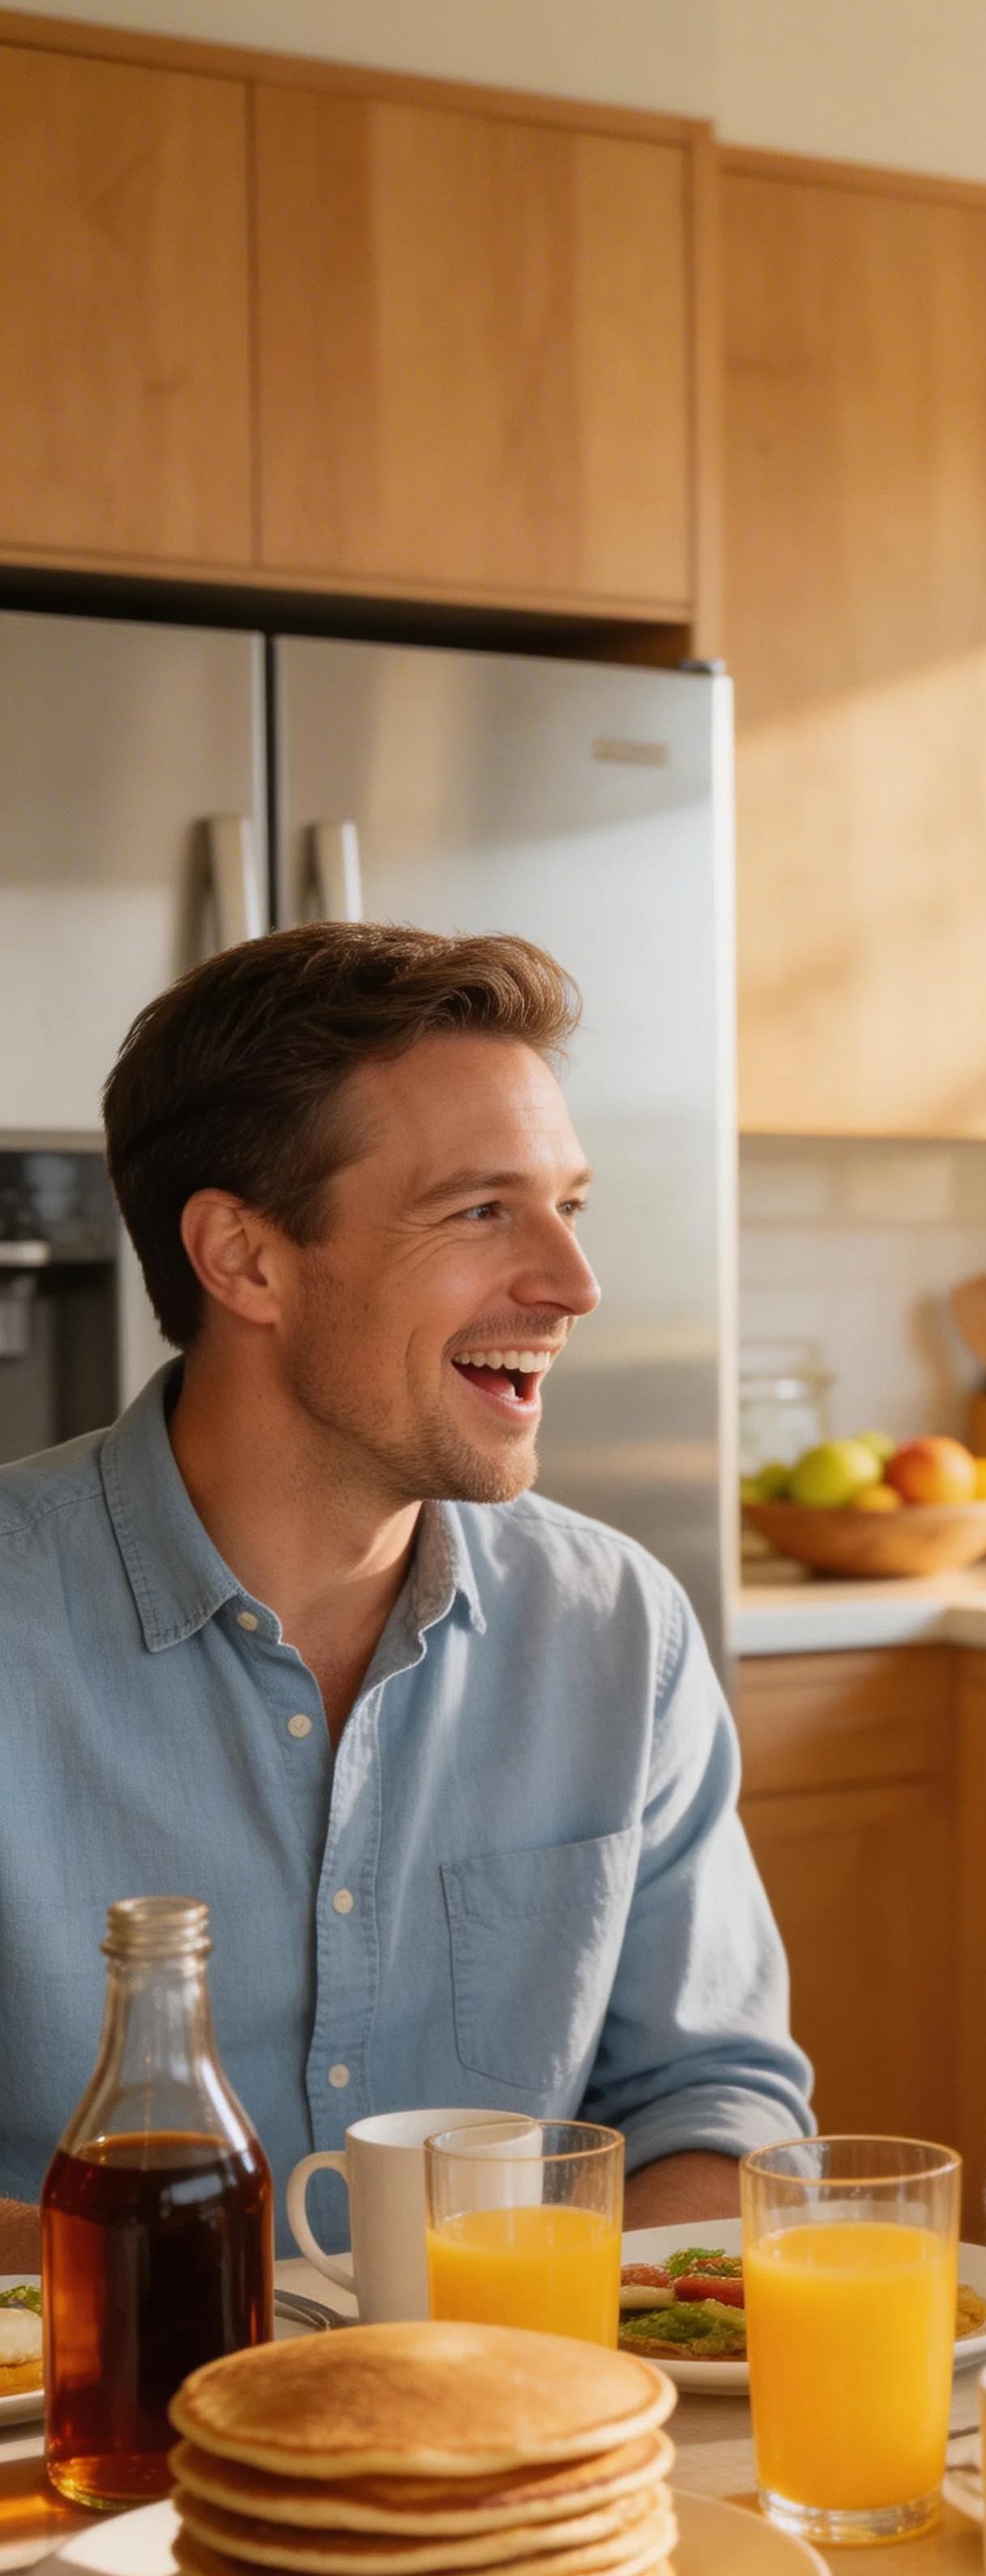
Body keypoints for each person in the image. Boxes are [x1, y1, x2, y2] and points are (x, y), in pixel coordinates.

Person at [0, 923, 811, 2261]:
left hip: (508, 2432)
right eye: (481, 1210)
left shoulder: (615, 1629)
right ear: (244, 1259)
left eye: (569, 1204)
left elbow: (708, 2105)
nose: (572, 1281)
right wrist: (254, 2334)